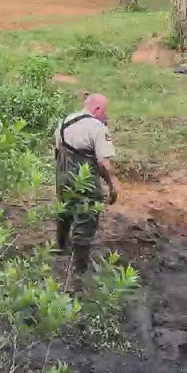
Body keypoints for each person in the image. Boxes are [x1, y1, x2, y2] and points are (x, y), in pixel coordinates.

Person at [54, 93, 121, 284]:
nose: (106, 116)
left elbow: (57, 149)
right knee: (86, 220)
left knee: (64, 211)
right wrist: (112, 183)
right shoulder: (98, 128)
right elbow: (103, 163)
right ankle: (79, 271)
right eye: (105, 112)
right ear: (97, 109)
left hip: (63, 177)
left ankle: (60, 246)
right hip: (86, 182)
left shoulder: (65, 121)